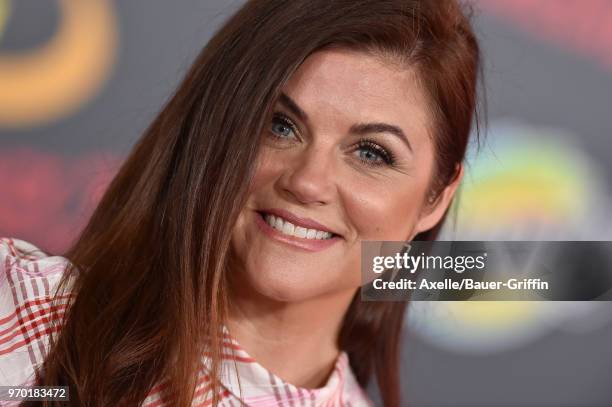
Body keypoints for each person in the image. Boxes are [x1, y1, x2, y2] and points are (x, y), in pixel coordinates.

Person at [0, 0, 482, 405]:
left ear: (436, 199)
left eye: (371, 153)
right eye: (279, 126)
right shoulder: (31, 317)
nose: (308, 182)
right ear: (215, 129)